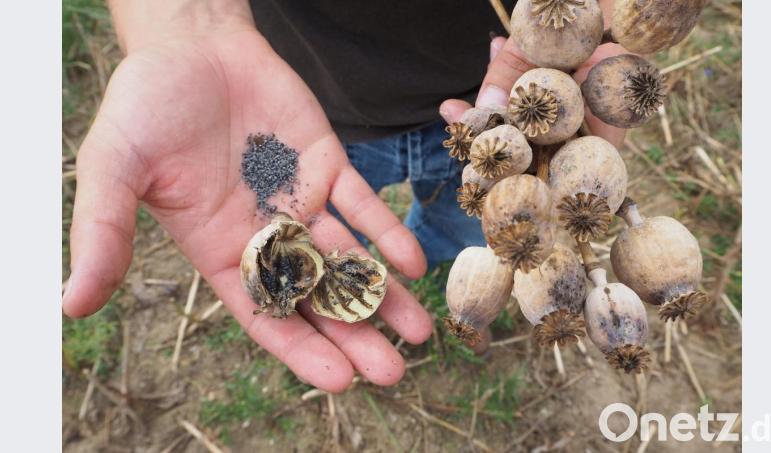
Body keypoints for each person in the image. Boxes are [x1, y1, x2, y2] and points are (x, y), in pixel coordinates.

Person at [62, 0, 626, 392]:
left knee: (455, 226)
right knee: (336, 223)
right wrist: (185, 30)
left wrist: (591, 33)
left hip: (484, 107)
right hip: (300, 106)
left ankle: (431, 251)